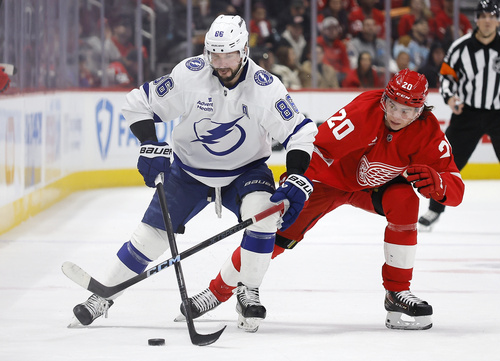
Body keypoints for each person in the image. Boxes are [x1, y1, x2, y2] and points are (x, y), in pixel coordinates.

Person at [70, 14, 317, 333]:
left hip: (245, 172)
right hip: (188, 171)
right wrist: (148, 144)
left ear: (244, 51)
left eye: (228, 54)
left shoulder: (265, 88)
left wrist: (296, 173)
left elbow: (300, 131)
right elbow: (137, 103)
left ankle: (248, 289)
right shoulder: (190, 75)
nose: (220, 62)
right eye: (214, 53)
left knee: (264, 215)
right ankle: (102, 294)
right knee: (150, 238)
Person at [181, 68, 465, 330]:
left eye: (406, 111)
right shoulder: (364, 111)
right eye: (391, 105)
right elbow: (318, 149)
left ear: (420, 111)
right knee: (272, 238)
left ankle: (397, 292)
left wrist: (440, 184)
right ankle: (216, 293)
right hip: (326, 182)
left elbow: (456, 187)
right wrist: (297, 182)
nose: (396, 115)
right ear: (384, 99)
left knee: (405, 200)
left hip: (373, 189)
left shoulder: (428, 132)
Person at [418, 0, 500, 231]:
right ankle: (435, 209)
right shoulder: (461, 47)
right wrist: (450, 98)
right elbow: (447, 76)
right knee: (447, 161)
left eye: (492, 16)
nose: (488, 20)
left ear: (498, 20)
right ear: (477, 19)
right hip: (467, 113)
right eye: (483, 16)